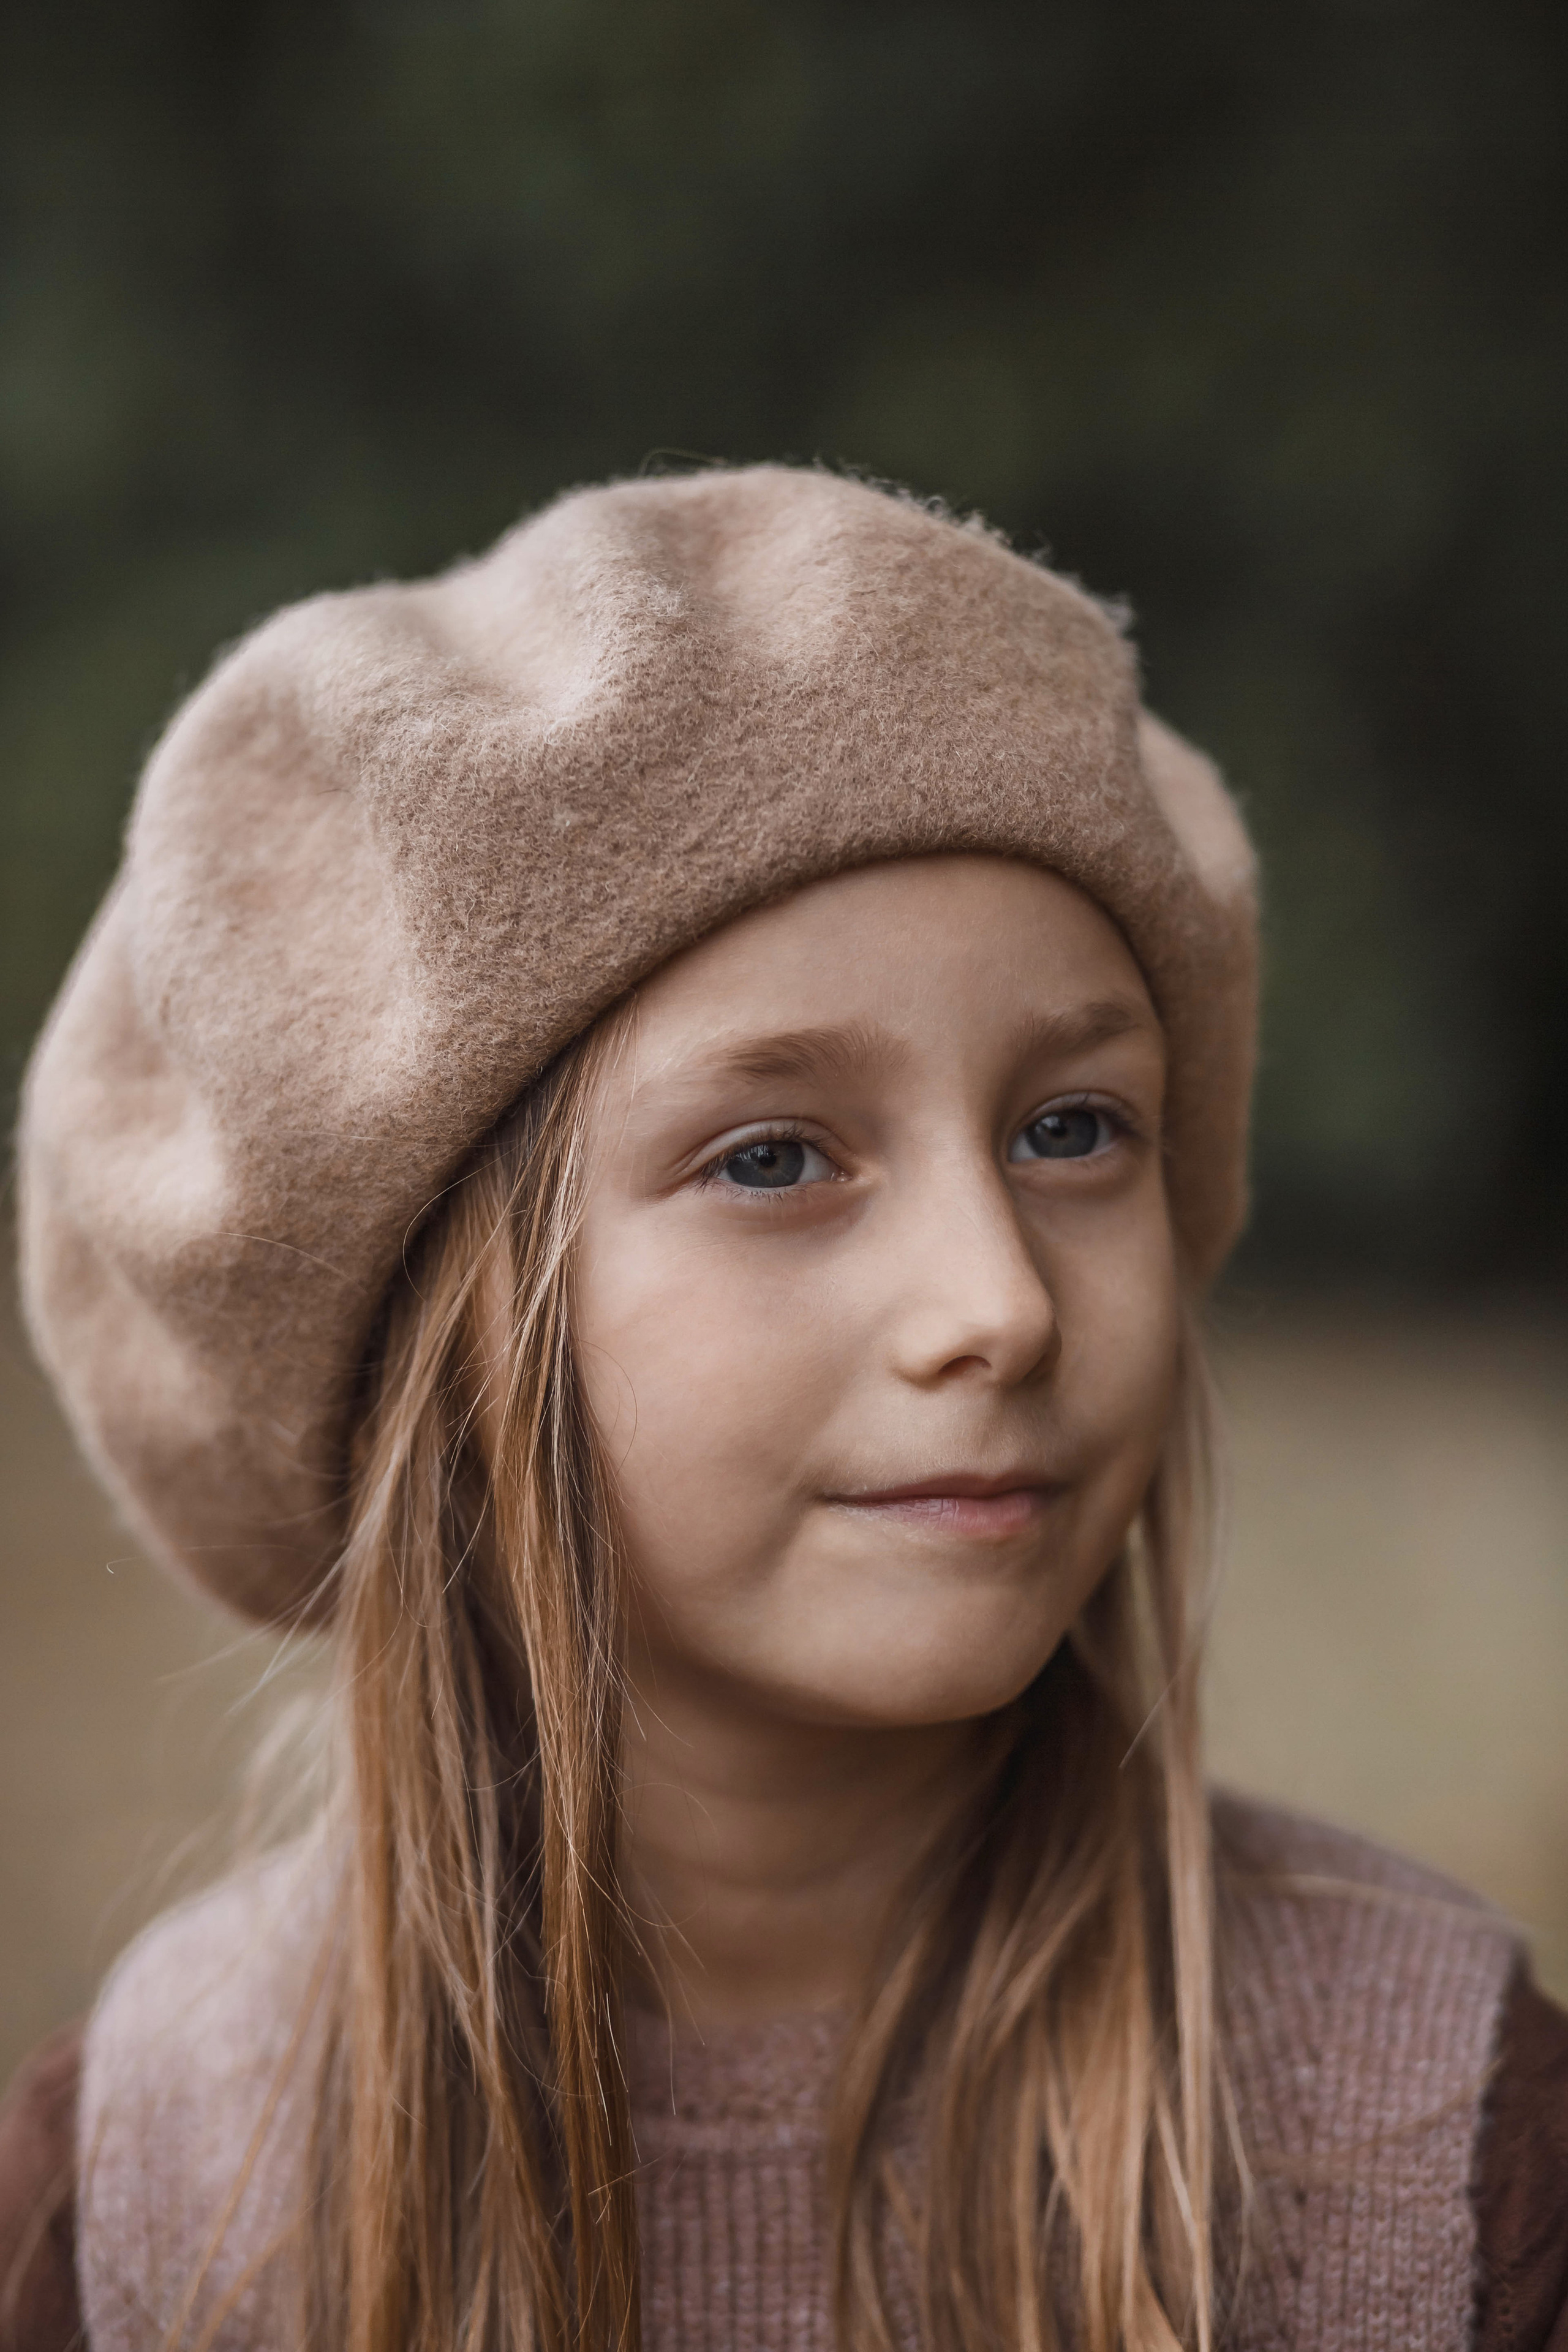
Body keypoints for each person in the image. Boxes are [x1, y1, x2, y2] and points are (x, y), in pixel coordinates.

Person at [1, 467, 1564, 2352]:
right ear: (446, 1348)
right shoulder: (145, 2210)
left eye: (1073, 1129)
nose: (996, 1304)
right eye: (773, 1159)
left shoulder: (1447, 2152)